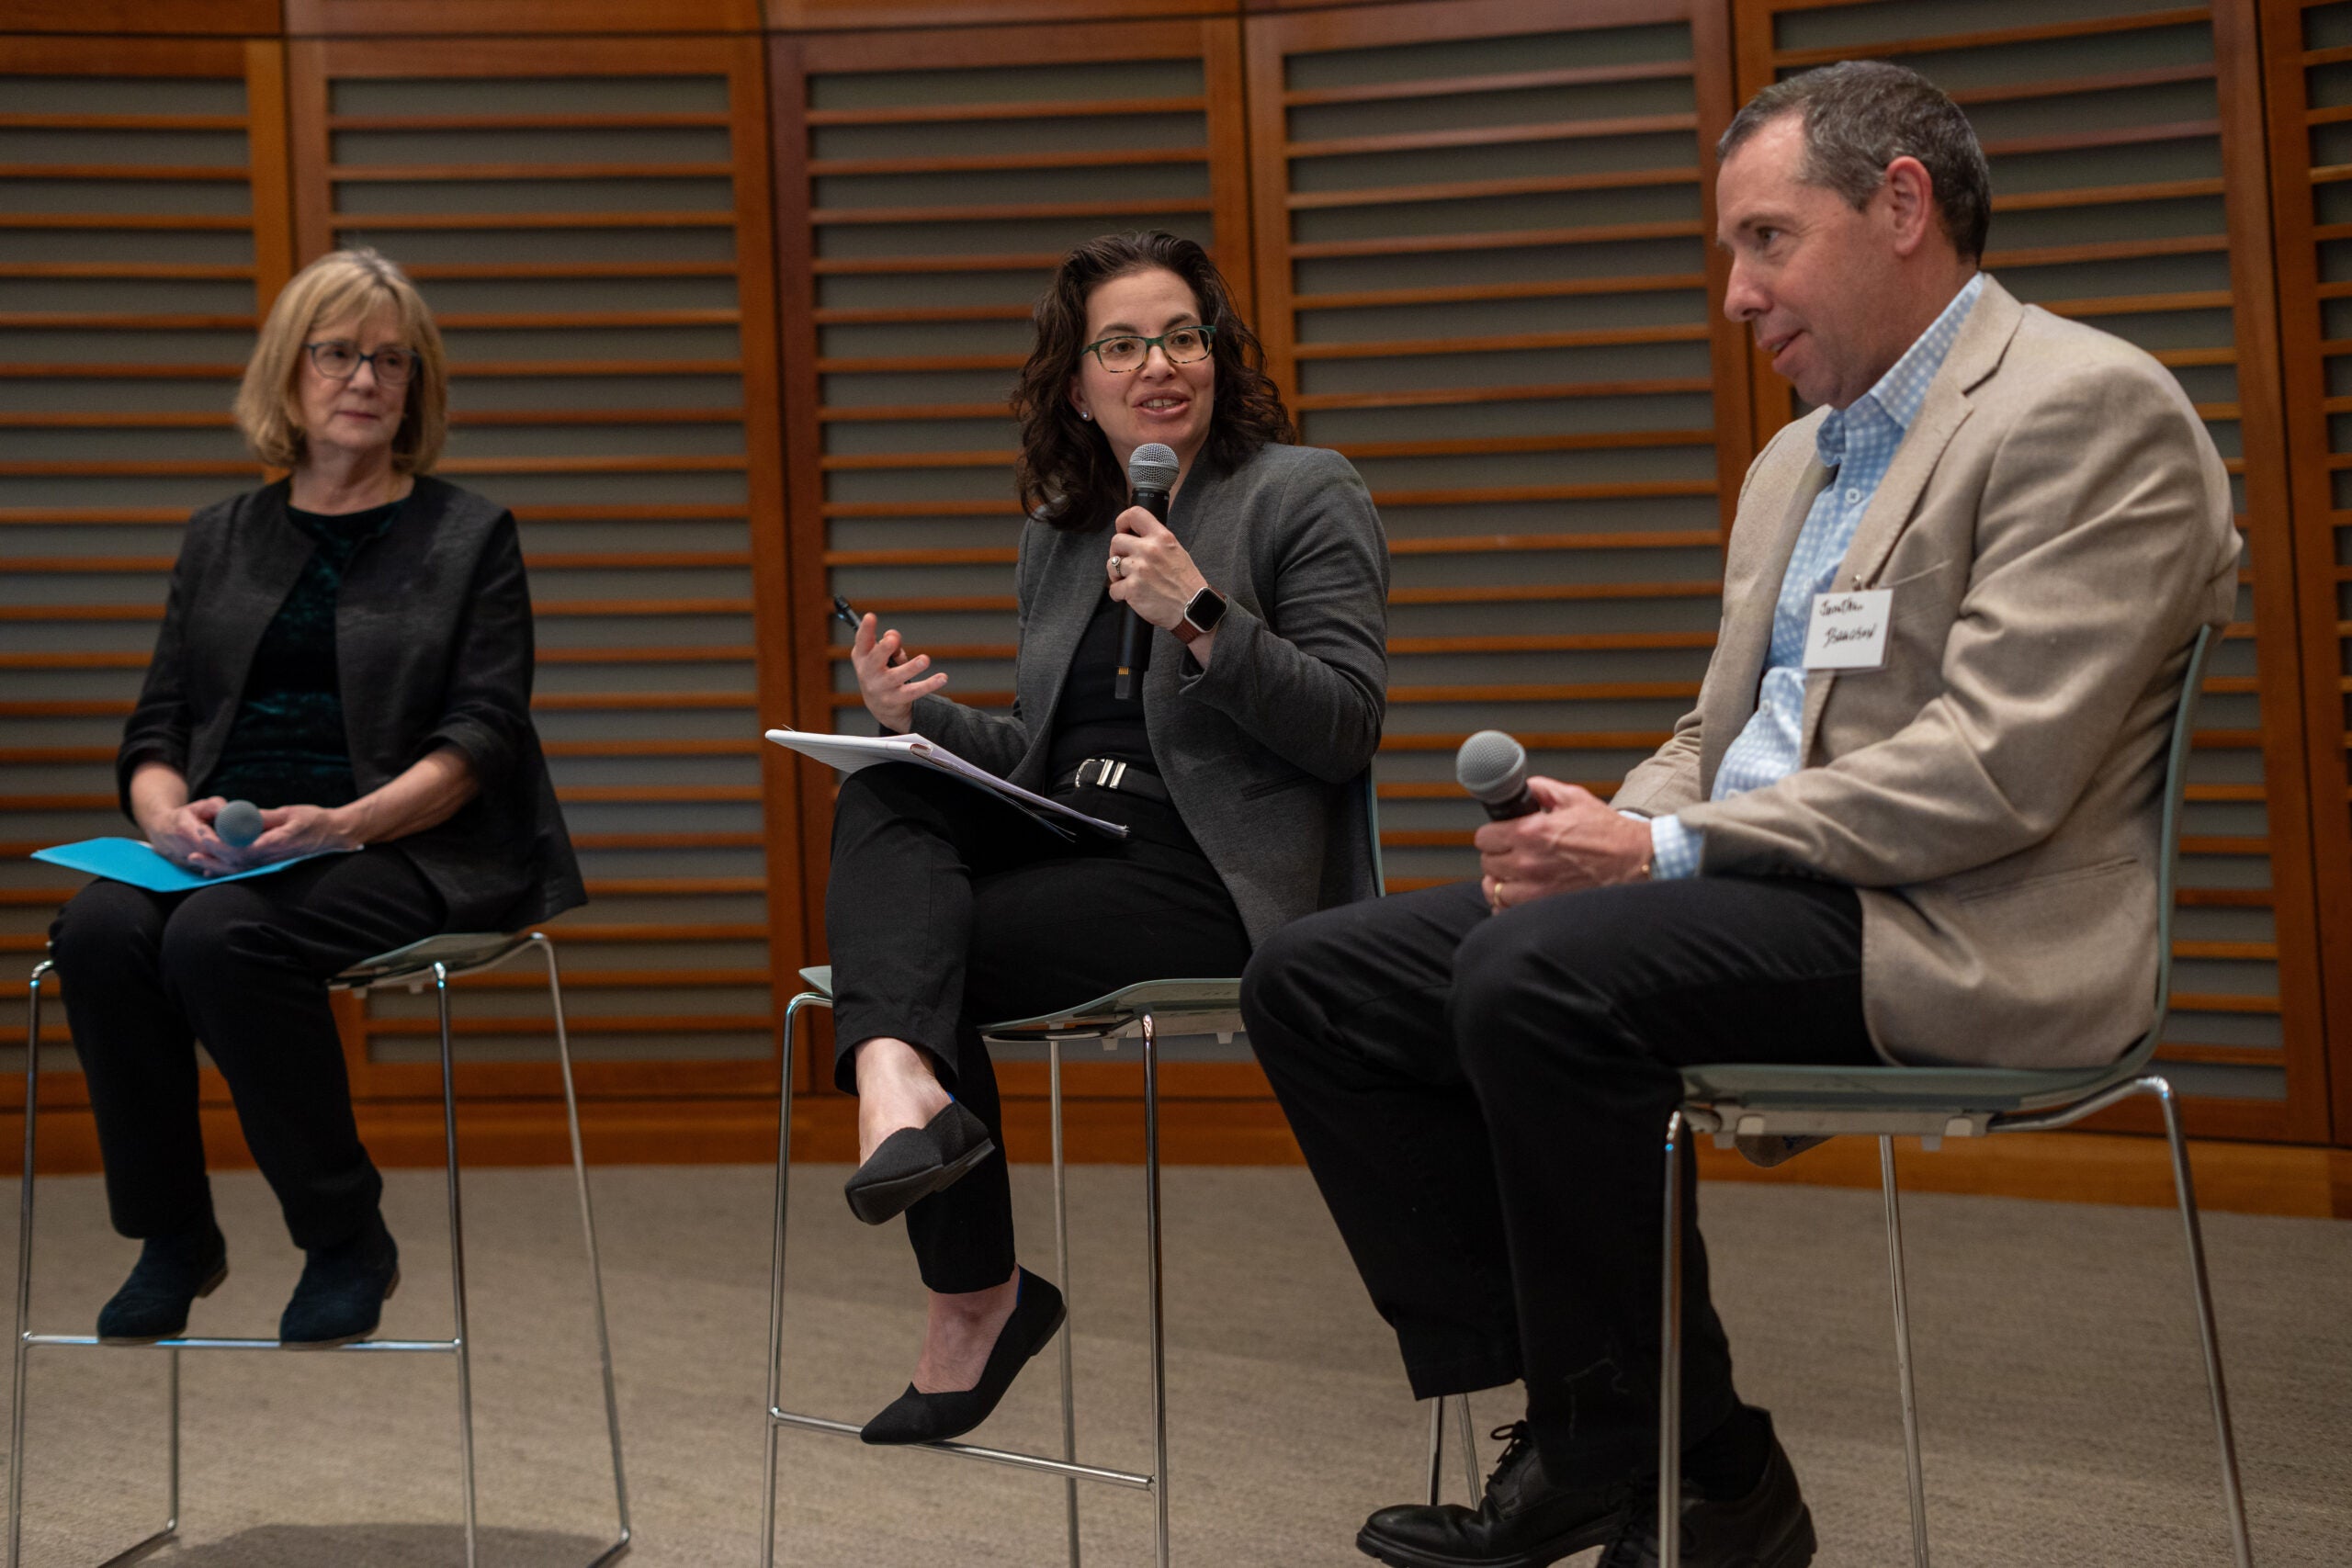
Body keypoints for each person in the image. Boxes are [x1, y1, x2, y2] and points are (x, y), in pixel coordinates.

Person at [1239, 61, 2239, 1568]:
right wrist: (1610, 824)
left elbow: (1995, 767)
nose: (1736, 292)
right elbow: (1725, 730)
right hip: (1737, 887)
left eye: (1767, 240)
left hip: (1948, 922)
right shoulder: (1795, 459)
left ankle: (1651, 1454)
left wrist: (1649, 854)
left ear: (1900, 205)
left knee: (1530, 976)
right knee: (1316, 982)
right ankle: (1635, 1438)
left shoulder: (2087, 410)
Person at [827, 230, 1388, 1444]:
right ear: (1075, 384)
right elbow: (1042, 742)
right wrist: (912, 717)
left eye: (1183, 334)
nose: (1160, 364)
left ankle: (965, 1267)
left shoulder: (1304, 489)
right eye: (1121, 345)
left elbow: (1346, 728)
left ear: (1218, 355)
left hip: (1206, 873)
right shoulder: (1062, 533)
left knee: (929, 954)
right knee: (882, 788)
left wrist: (1199, 610)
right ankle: (902, 1083)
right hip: (1069, 833)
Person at [48, 248, 582, 1350]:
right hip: (226, 842)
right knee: (97, 926)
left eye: (391, 360)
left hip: (402, 840)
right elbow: (159, 725)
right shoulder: (220, 537)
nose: (364, 379)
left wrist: (346, 821)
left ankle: (344, 1237)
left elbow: (484, 734)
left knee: (217, 939)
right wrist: (160, 814)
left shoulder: (468, 535)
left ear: (415, 386)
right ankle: (173, 1237)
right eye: (337, 353)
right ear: (289, 375)